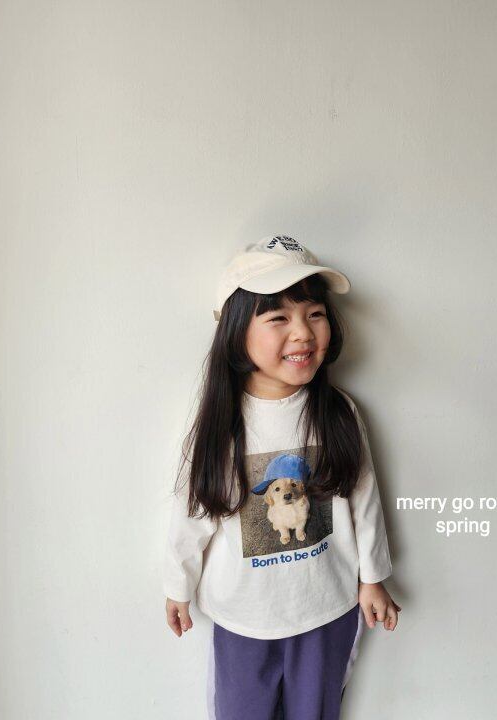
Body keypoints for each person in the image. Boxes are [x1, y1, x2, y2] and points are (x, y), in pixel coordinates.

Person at [162, 235, 401, 720]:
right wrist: (177, 584)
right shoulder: (220, 423)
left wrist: (373, 578)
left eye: (315, 314)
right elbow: (193, 511)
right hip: (244, 617)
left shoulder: (338, 412)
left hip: (326, 608)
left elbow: (364, 499)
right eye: (278, 318)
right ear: (236, 333)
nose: (303, 333)